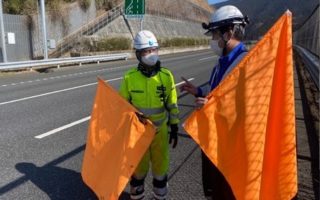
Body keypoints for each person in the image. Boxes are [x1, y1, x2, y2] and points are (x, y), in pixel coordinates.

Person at [180, 5, 249, 200]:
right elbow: (217, 92)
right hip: (216, 140)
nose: (213, 40)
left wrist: (212, 107)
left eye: (214, 35)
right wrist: (198, 92)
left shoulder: (244, 65)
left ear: (228, 33)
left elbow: (244, 108)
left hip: (231, 146)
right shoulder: (223, 62)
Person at [119, 30, 179, 200]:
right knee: (138, 170)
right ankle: (137, 195)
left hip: (160, 133)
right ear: (138, 54)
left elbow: (172, 104)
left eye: (154, 50)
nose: (151, 55)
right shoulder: (130, 78)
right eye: (146, 51)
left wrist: (174, 125)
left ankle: (160, 196)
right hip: (138, 134)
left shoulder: (166, 76)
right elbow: (123, 106)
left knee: (160, 170)